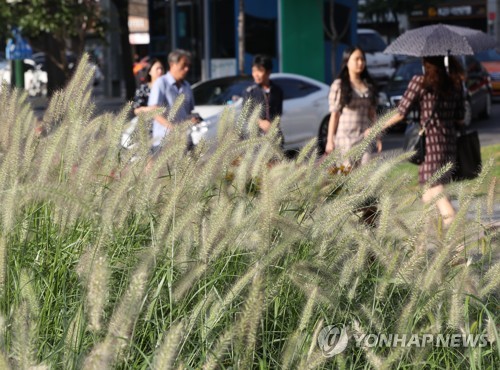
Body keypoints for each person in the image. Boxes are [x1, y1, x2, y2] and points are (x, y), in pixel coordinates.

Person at [383, 56, 465, 227]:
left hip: (431, 148)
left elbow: (401, 112)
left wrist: (376, 128)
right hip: (450, 146)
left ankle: (458, 238)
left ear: (424, 62)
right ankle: (428, 249)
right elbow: (460, 118)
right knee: (428, 200)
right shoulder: (454, 84)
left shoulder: (420, 82)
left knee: (437, 194)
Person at [325, 46, 381, 166]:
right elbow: (334, 115)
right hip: (345, 139)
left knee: (364, 176)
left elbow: (372, 113)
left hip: (364, 138)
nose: (360, 63)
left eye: (362, 59)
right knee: (347, 176)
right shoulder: (339, 85)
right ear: (347, 61)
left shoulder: (368, 85)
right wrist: (330, 140)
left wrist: (378, 136)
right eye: (356, 59)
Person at [147, 49, 197, 151]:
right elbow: (154, 111)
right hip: (165, 141)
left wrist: (193, 119)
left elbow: (188, 112)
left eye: (188, 66)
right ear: (172, 64)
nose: (187, 69)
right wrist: (173, 128)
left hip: (184, 139)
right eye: (183, 65)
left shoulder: (187, 85)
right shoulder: (161, 83)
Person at [242, 54, 284, 145]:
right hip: (255, 140)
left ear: (268, 72)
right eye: (254, 71)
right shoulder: (250, 91)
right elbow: (246, 114)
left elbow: (279, 113)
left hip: (274, 137)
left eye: (260, 71)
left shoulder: (277, 90)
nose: (256, 74)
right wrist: (261, 122)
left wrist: (273, 127)